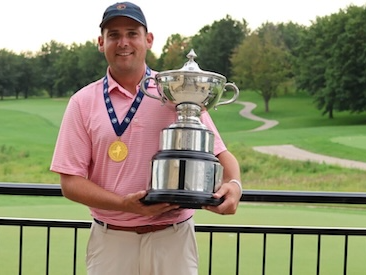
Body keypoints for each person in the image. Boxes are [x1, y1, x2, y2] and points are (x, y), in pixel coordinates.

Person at [50, 2, 242, 274]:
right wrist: (123, 205)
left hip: (172, 238)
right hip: (111, 240)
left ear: (148, 40)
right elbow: (70, 182)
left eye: (132, 33)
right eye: (114, 35)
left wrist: (234, 185)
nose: (123, 42)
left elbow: (222, 156)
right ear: (101, 42)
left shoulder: (176, 90)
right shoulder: (83, 102)